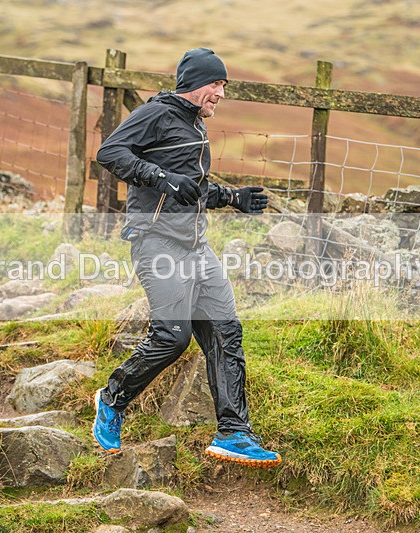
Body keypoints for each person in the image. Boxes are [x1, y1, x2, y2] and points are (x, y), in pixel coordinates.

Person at [91, 48, 280, 468]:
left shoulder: (195, 124)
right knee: (172, 336)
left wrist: (233, 197)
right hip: (157, 243)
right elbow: (110, 153)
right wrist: (162, 178)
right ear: (196, 83)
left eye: (224, 86)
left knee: (225, 333)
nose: (221, 94)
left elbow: (189, 189)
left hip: (197, 246)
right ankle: (111, 399)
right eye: (217, 84)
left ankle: (234, 432)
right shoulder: (157, 113)